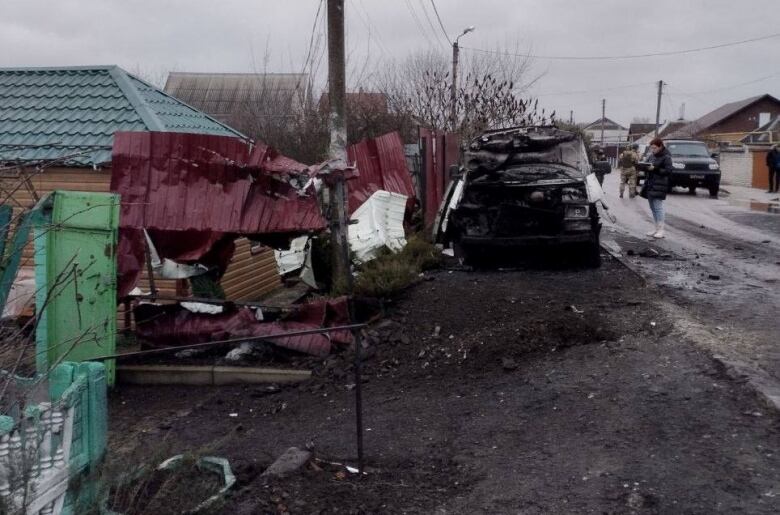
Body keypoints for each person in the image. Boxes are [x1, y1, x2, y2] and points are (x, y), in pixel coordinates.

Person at [643, 138, 672, 238]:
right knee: (652, 207)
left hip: (660, 184)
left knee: (658, 207)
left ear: (660, 146)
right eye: (651, 148)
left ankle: (661, 230)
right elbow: (646, 164)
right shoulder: (651, 156)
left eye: (654, 148)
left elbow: (668, 171)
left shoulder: (666, 157)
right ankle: (656, 228)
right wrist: (643, 167)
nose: (652, 150)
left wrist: (655, 169)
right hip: (650, 183)